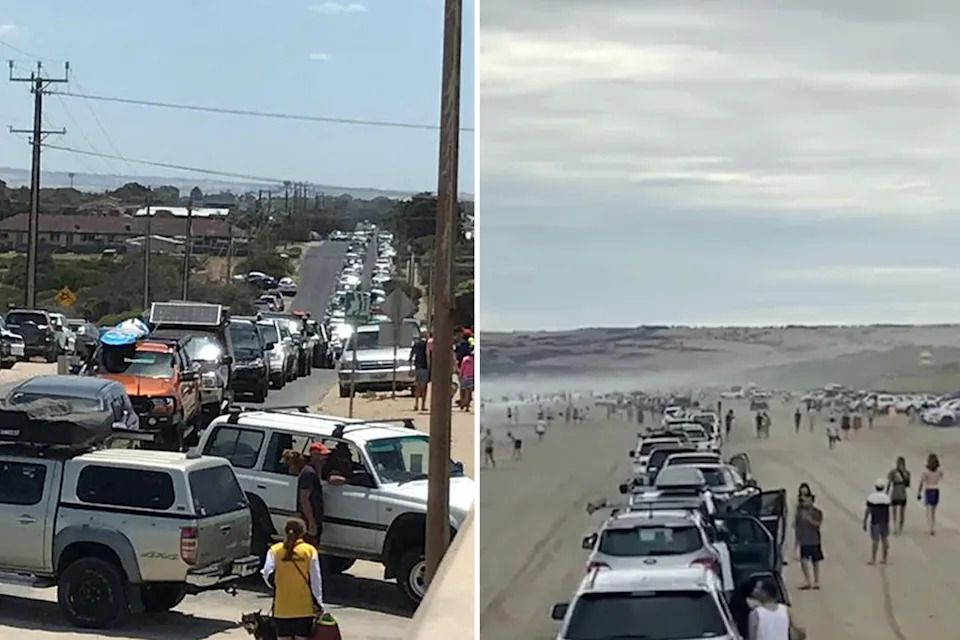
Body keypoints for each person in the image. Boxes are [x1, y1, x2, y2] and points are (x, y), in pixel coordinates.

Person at [261, 519, 325, 640]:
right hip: (304, 608)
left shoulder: (275, 550)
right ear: (303, 532)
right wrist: (319, 603)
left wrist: (277, 586)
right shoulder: (309, 551)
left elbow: (266, 573)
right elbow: (316, 580)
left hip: (282, 608)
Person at [296, 442, 346, 546]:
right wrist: (311, 522)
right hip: (308, 520)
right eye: (322, 455)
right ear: (314, 455)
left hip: (315, 518)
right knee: (308, 549)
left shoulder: (315, 472)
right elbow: (304, 499)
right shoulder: (308, 473)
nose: (325, 457)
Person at [794, 488, 824, 590]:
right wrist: (797, 540)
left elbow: (818, 524)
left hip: (814, 540)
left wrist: (809, 519)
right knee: (804, 561)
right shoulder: (800, 513)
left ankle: (816, 581)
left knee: (815, 561)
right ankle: (807, 580)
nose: (804, 502)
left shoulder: (817, 512)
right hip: (804, 540)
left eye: (807, 500)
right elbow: (796, 526)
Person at [863, 479, 891, 565]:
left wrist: (865, 520)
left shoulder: (871, 497)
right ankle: (884, 558)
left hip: (875, 521)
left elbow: (868, 510)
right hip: (885, 521)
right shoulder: (886, 498)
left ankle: (873, 559)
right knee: (885, 539)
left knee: (875, 540)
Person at [917, 453, 943, 535]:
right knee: (933, 511)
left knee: (928, 509)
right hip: (935, 489)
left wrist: (919, 492)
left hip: (928, 489)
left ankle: (930, 527)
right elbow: (941, 477)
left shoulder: (925, 472)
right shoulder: (939, 471)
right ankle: (933, 526)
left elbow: (921, 482)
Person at [886, 456, 911, 534]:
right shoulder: (907, 473)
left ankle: (896, 527)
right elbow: (908, 484)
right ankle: (899, 527)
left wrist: (887, 492)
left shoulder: (893, 472)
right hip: (902, 492)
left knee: (896, 511)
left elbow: (889, 483)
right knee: (901, 511)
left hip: (896, 492)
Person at [409, 334, 430, 412]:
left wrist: (411, 368)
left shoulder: (416, 344)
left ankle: (416, 404)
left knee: (417, 386)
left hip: (417, 367)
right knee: (424, 387)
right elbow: (428, 355)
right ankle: (423, 405)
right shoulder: (427, 344)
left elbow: (411, 356)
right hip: (424, 367)